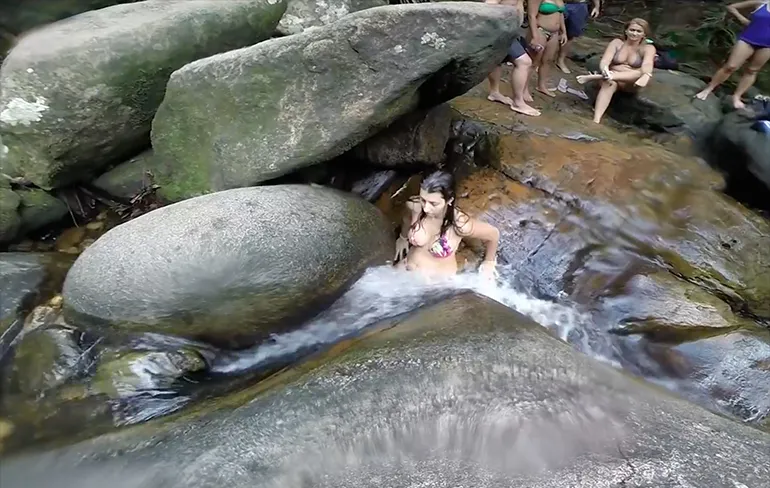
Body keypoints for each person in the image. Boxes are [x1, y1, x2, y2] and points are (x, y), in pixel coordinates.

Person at [394, 170, 500, 280]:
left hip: (437, 287)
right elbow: (406, 218)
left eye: (433, 203)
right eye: (423, 200)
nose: (426, 208)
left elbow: (493, 234)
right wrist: (403, 237)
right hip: (406, 273)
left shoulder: (460, 224)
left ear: (449, 200)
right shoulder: (415, 207)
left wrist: (489, 262)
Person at [576, 18, 656, 124]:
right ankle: (596, 119)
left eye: (638, 31)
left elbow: (647, 64)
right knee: (609, 83)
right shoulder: (617, 43)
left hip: (630, 82)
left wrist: (646, 73)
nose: (634, 33)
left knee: (640, 72)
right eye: (632, 30)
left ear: (644, 34)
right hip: (610, 76)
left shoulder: (648, 48)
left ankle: (597, 77)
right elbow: (605, 60)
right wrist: (604, 70)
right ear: (626, 31)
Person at [694, 1, 770, 109]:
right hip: (748, 39)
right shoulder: (761, 3)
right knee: (731, 66)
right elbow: (731, 7)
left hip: (767, 45)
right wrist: (742, 19)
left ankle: (736, 97)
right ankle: (709, 89)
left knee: (752, 70)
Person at [485, 0, 541, 116]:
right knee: (524, 62)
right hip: (501, 31)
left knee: (497, 61)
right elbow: (488, 7)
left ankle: (494, 92)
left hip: (511, 31)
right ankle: (518, 102)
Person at [527, 0, 568, 97]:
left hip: (554, 33)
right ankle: (524, 89)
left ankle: (542, 86)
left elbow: (560, 14)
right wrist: (534, 36)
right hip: (540, 30)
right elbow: (531, 15)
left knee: (547, 60)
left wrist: (564, 32)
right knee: (534, 62)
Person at [555, 0, 601, 74]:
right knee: (551, 30)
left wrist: (597, 6)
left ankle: (560, 60)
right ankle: (540, 60)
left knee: (571, 34)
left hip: (579, 5)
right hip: (558, 3)